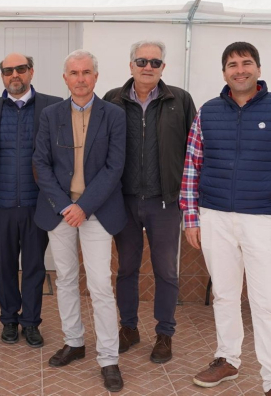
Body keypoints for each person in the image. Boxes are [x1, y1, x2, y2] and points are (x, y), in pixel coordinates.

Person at [180, 42, 271, 396]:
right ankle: (228, 358)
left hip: (262, 219)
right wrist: (191, 217)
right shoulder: (208, 111)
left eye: (246, 63)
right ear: (224, 73)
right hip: (215, 215)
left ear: (258, 69)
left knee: (265, 301)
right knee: (224, 294)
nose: (240, 70)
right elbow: (192, 165)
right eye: (232, 65)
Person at [33, 50, 126, 392]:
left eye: (87, 72)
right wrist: (64, 206)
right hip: (59, 210)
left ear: (96, 77)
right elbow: (40, 163)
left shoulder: (114, 115)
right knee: (67, 278)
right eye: (74, 73)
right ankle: (74, 341)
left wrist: (83, 206)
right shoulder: (50, 114)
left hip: (97, 211)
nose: (81, 78)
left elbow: (115, 167)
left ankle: (109, 358)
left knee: (100, 284)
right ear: (65, 78)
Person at [103, 40, 196, 363]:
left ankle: (164, 334)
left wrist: (190, 199)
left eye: (155, 62)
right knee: (126, 268)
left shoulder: (180, 100)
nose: (148, 67)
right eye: (141, 61)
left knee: (166, 271)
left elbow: (194, 152)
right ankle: (128, 328)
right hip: (124, 200)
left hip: (165, 202)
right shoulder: (112, 99)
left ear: (163, 67)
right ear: (131, 65)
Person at [0, 53, 61, 347]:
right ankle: (8, 320)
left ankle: (30, 322)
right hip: (0, 205)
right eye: (8, 70)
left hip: (37, 204)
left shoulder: (53, 107)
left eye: (20, 69)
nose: (14, 74)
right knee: (4, 267)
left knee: (34, 267)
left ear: (31, 71)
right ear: (2, 75)